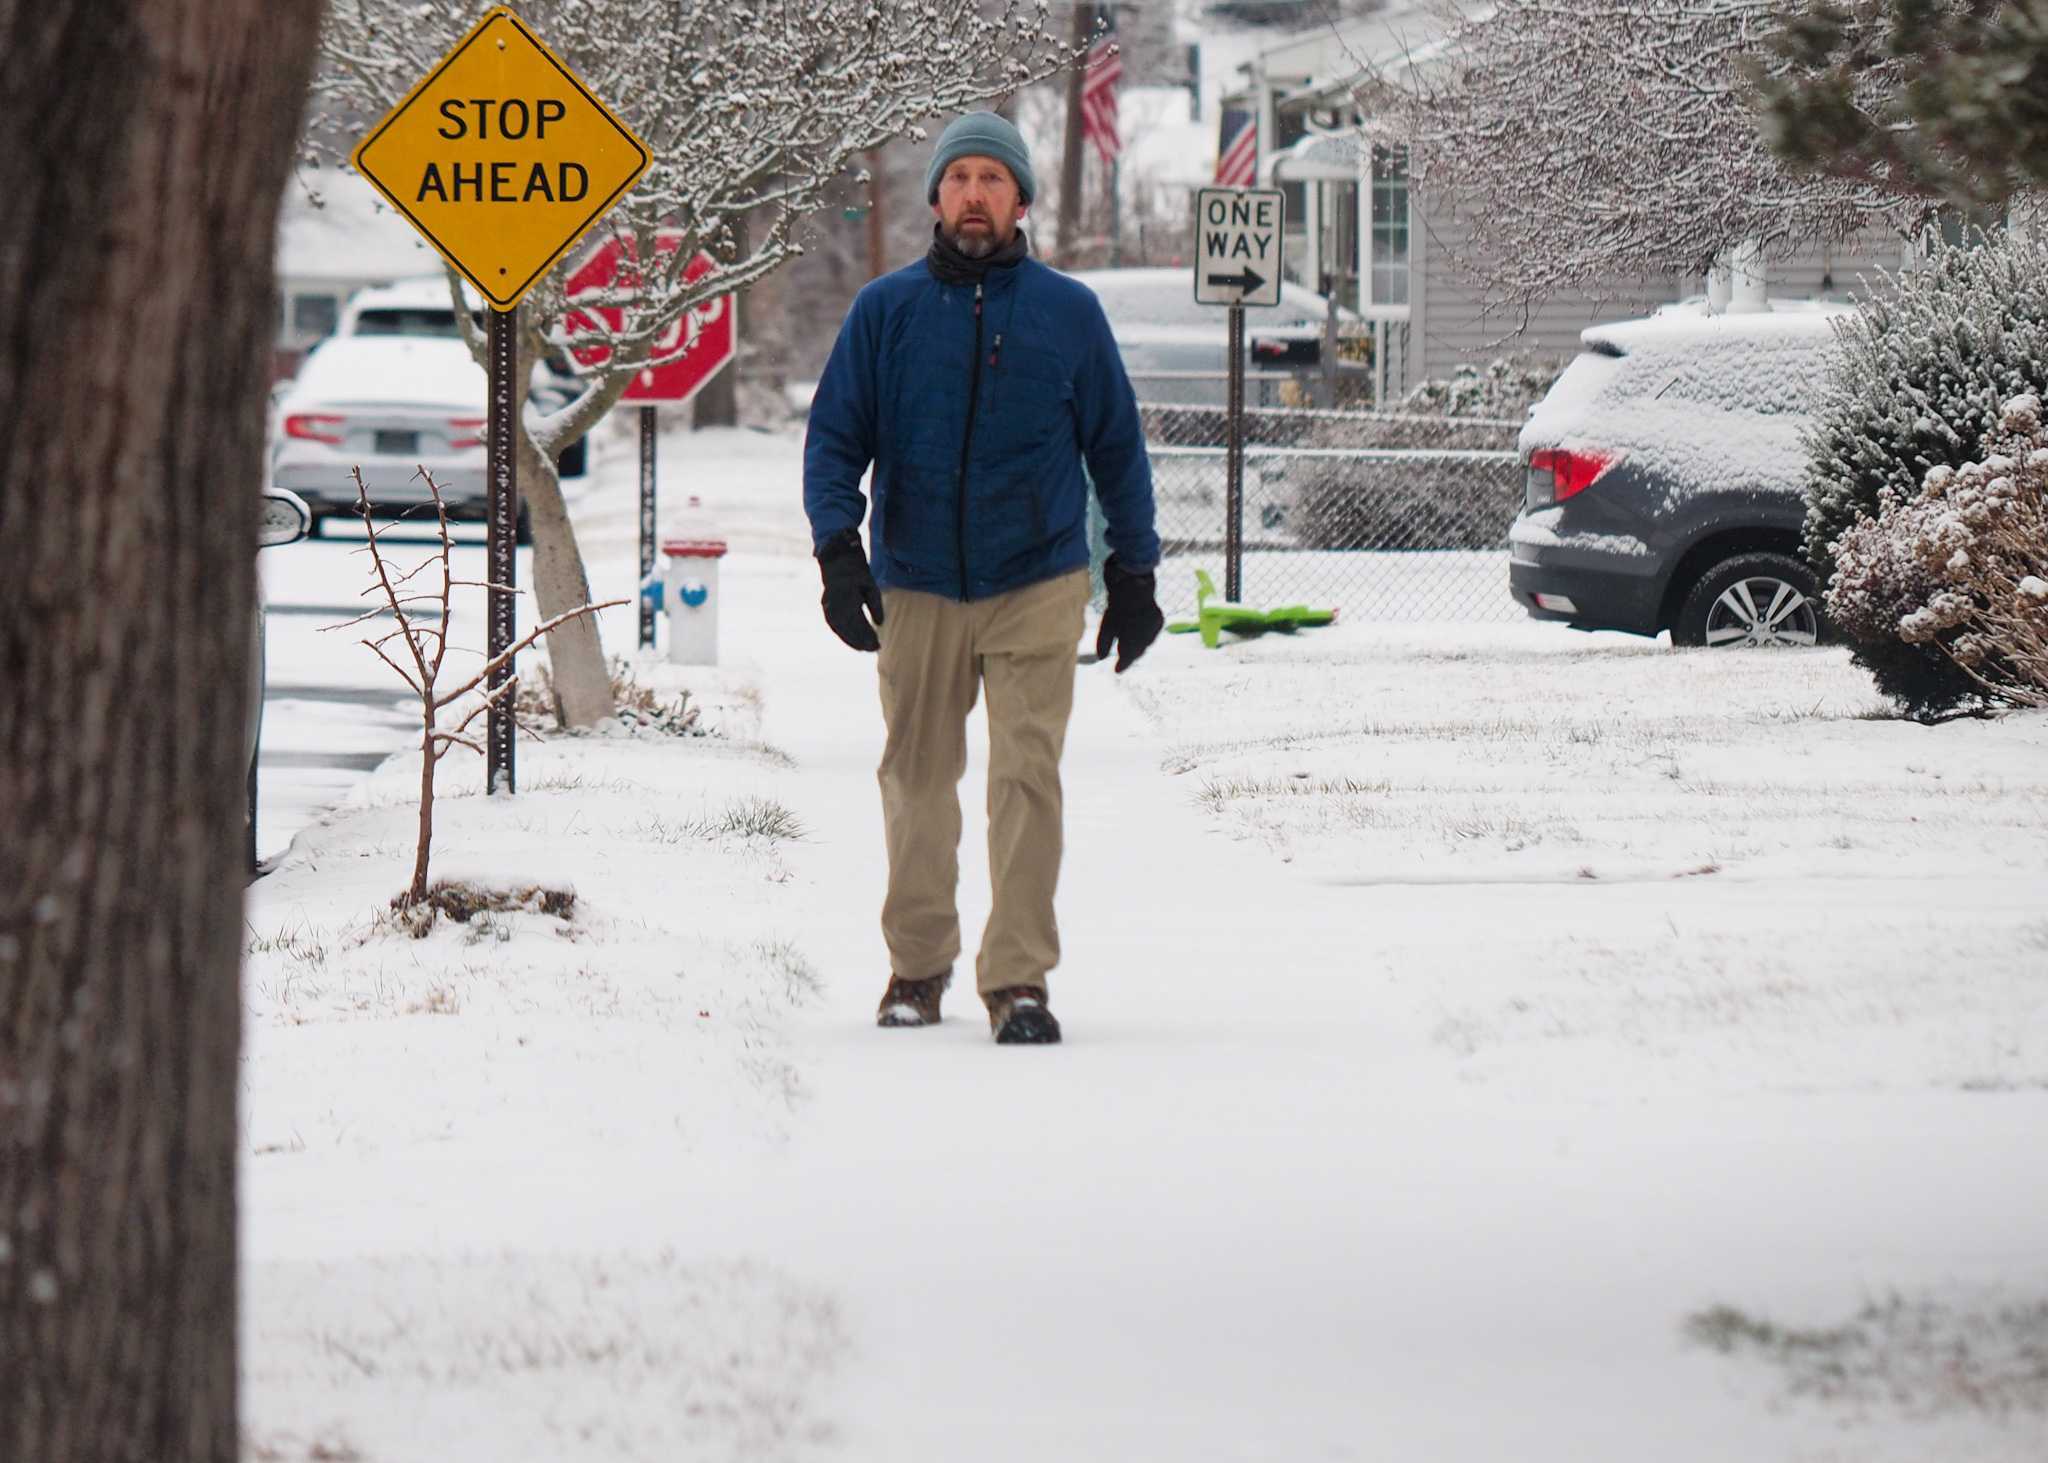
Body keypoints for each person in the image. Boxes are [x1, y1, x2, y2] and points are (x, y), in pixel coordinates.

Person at [802, 110, 1162, 1045]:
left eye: (992, 180)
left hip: (1037, 576)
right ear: (934, 197)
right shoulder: (886, 312)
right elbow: (835, 439)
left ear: (1022, 200)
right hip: (916, 579)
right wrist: (839, 551)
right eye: (957, 178)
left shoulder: (1067, 313)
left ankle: (1019, 980)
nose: (973, 195)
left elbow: (1117, 447)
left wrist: (1135, 568)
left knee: (1026, 779)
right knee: (918, 778)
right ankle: (917, 969)